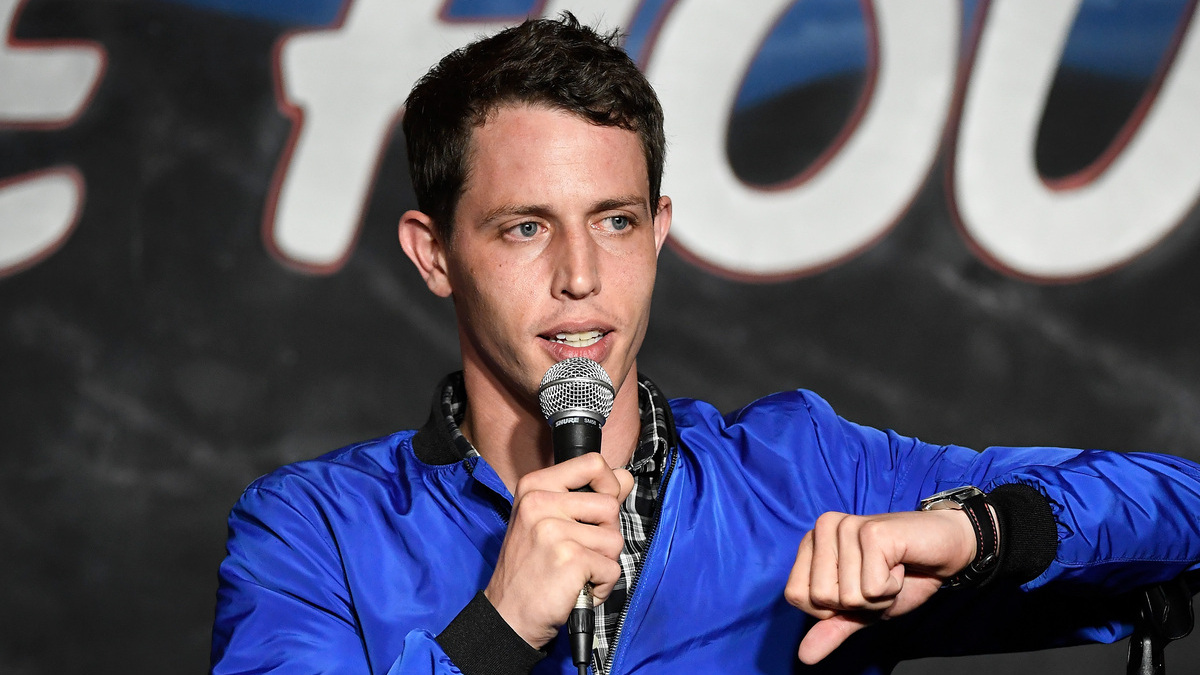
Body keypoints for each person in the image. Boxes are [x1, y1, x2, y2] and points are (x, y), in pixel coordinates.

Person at [211, 13, 1200, 675]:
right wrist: (500, 627)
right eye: (524, 228)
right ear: (433, 256)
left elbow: (1179, 510)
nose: (580, 278)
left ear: (661, 230)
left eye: (614, 221)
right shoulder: (313, 532)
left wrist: (968, 534)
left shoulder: (801, 470)